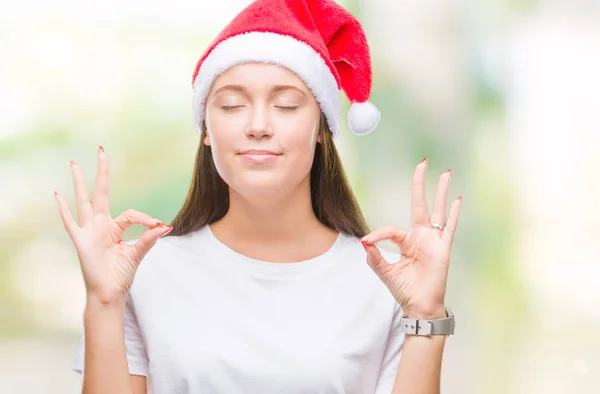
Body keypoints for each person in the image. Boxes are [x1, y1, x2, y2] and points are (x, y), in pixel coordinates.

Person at [55, 0, 462, 393]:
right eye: (232, 105)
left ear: (322, 129)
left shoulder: (388, 283)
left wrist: (425, 315)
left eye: (286, 105)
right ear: (207, 131)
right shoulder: (140, 273)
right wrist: (104, 302)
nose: (258, 125)